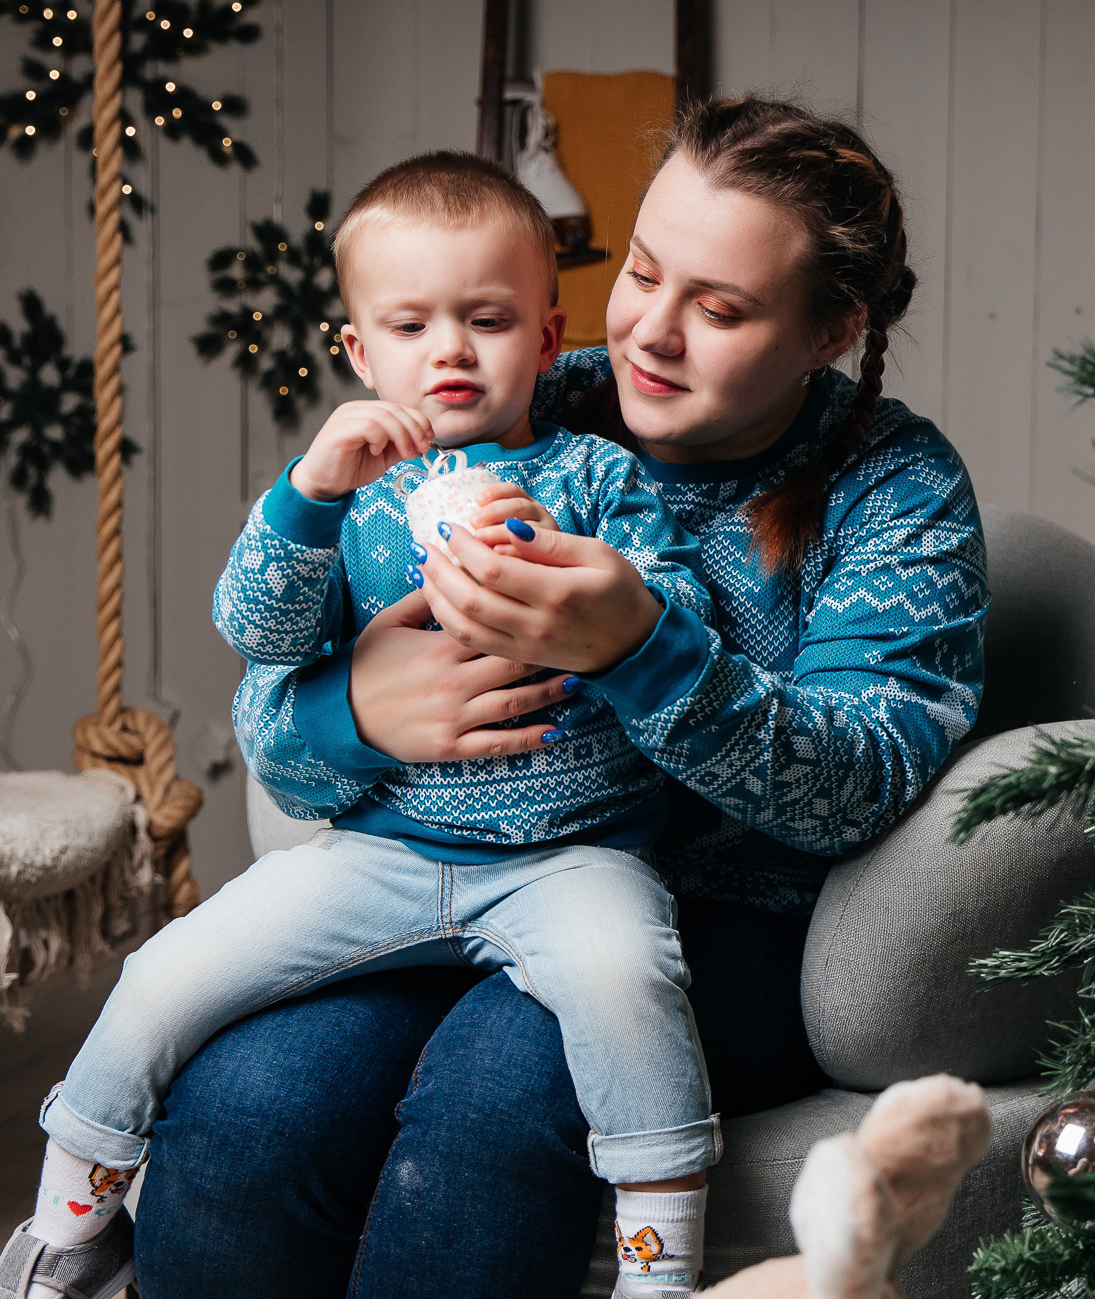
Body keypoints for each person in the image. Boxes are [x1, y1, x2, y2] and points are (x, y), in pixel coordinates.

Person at [128, 98, 988, 1299]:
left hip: (711, 920)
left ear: (829, 330)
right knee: (242, 1106)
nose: (654, 333)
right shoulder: (527, 397)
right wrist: (351, 711)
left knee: (495, 1096)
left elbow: (862, 781)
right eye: (643, 272)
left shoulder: (890, 485)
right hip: (442, 868)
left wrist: (642, 648)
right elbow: (273, 705)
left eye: (722, 308)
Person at [2, 152, 728, 1299]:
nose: (449, 349)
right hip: (383, 855)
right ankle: (68, 1226)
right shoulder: (348, 497)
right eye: (412, 324)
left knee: (628, 979)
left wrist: (559, 561)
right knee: (164, 972)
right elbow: (259, 629)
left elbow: (674, 610)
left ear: (546, 340)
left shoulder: (593, 476)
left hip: (569, 856)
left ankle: (660, 1262)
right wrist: (307, 492)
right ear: (360, 353)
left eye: (485, 320)